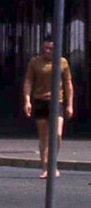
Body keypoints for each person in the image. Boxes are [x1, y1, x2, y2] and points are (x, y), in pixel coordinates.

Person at [22, 38, 74, 177]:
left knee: (57, 134)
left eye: (51, 48)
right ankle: (45, 168)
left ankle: (53, 164)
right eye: (45, 48)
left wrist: (70, 104)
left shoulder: (62, 62)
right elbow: (28, 81)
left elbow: (68, 83)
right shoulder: (35, 62)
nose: (48, 51)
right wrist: (27, 101)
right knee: (44, 136)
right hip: (40, 100)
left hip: (57, 101)